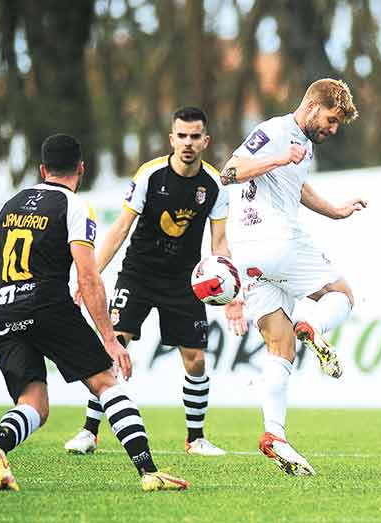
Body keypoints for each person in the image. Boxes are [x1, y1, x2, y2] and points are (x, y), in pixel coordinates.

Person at [0, 134, 187, 491]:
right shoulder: (74, 206)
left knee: (34, 404)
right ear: (81, 168)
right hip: (48, 308)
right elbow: (88, 277)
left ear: (43, 169)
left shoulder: (11, 203)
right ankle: (148, 471)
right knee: (106, 384)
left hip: (5, 313)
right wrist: (109, 338)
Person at [64, 107, 240, 457]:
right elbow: (120, 229)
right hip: (139, 274)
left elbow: (219, 243)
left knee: (196, 359)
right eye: (182, 136)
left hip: (184, 282)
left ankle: (196, 439)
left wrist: (232, 294)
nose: (188, 143)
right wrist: (89, 276)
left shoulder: (214, 185)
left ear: (205, 141)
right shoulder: (150, 174)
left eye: (195, 137)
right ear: (172, 138)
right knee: (113, 347)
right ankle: (89, 432)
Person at [220, 78, 365, 475]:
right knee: (341, 293)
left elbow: (296, 187)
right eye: (331, 119)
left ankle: (275, 435)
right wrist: (280, 158)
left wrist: (335, 211)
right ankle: (315, 326)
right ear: (313, 106)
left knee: (279, 347)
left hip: (248, 257)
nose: (333, 129)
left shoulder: (302, 145)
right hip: (276, 241)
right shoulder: (275, 131)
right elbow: (229, 172)